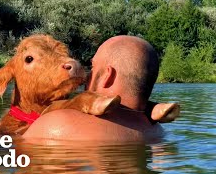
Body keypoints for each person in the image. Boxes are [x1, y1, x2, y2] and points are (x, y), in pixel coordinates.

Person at [22, 35, 171, 142]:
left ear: (108, 76)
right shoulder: (157, 132)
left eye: (92, 67)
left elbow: (15, 154)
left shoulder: (57, 125)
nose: (87, 75)